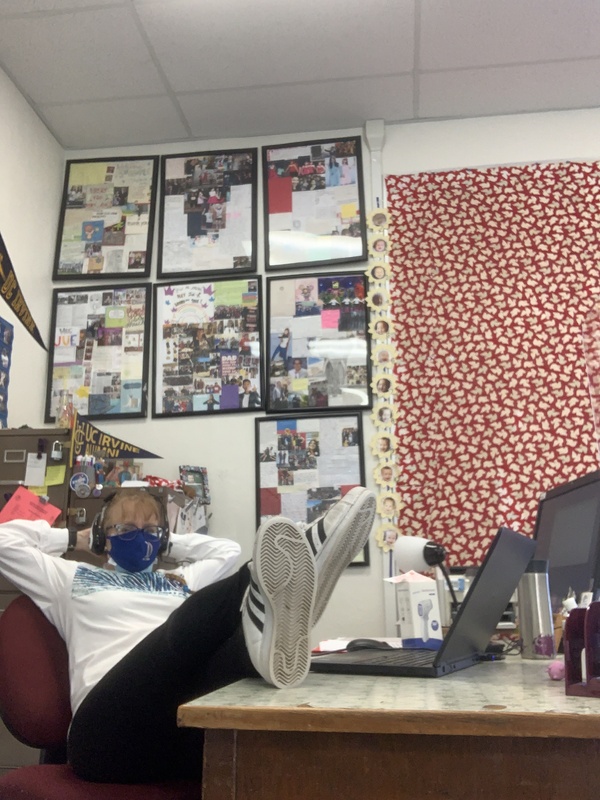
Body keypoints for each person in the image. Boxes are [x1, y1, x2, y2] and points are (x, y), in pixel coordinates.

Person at [0, 486, 376, 784]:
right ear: (103, 536)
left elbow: (226, 551)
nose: (138, 537)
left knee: (217, 644)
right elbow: (5, 542)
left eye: (149, 531)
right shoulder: (70, 579)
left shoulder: (177, 580)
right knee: (185, 626)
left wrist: (169, 544)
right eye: (125, 529)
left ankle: (258, 642)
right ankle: (286, 577)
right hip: (107, 737)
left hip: (182, 728)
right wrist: (76, 539)